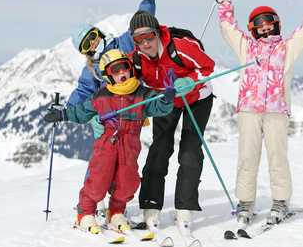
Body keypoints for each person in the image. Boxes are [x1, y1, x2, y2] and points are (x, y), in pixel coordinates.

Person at [212, 0, 303, 225]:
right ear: (253, 29)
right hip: (249, 111)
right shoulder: (246, 48)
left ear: (276, 24)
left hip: (276, 112)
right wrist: (224, 2)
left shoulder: (287, 49)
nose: (264, 27)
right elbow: (229, 28)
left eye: (268, 22)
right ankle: (246, 202)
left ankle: (281, 201)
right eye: (259, 24)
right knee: (247, 157)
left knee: (277, 156)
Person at [44, 49, 192, 233]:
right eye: (115, 70)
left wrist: (166, 100)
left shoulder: (142, 93)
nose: (122, 72)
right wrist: (63, 114)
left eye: (125, 67)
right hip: (107, 142)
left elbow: (158, 107)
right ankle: (85, 211)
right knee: (99, 178)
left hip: (130, 144)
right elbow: (82, 111)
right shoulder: (102, 95)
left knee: (127, 180)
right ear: (107, 75)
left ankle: (116, 211)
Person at [67, 0, 155, 215]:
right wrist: (68, 109)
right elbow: (84, 91)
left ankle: (117, 204)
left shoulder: (124, 43)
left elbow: (141, 27)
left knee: (126, 160)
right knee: (102, 160)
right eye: (88, 44)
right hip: (105, 118)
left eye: (94, 36)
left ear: (100, 32)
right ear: (85, 51)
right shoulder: (93, 68)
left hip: (132, 112)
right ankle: (90, 204)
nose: (94, 43)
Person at [128, 10, 216, 231]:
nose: (145, 42)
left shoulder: (181, 47)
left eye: (148, 35)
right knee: (160, 147)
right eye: (138, 38)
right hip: (166, 100)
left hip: (197, 97)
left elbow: (208, 68)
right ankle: (151, 204)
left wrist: (190, 80)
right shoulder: (136, 59)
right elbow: (125, 84)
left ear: (157, 32)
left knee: (190, 148)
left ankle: (184, 207)